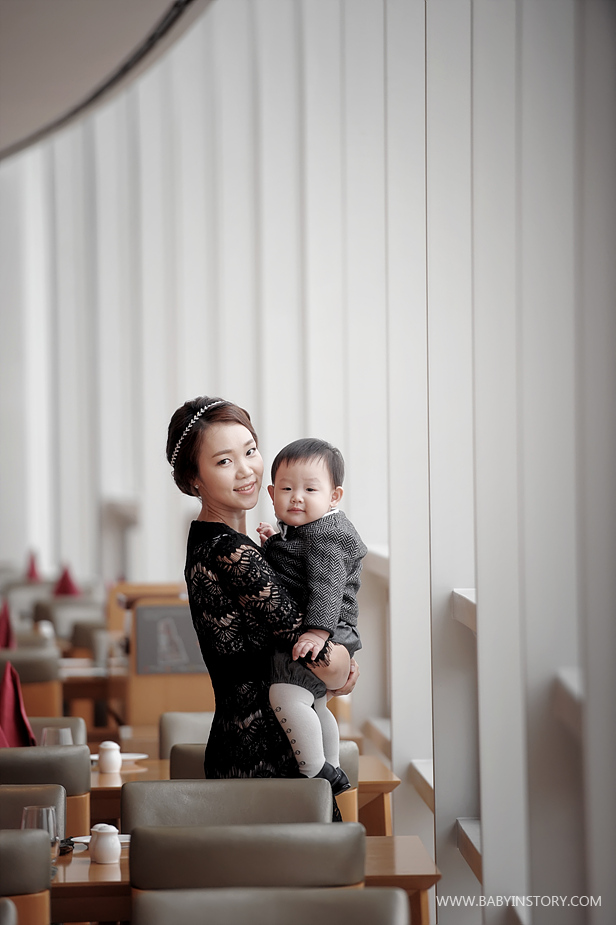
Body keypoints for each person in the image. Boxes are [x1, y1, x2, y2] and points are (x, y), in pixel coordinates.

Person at [166, 396, 359, 784]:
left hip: (263, 746)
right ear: (193, 478)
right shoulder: (230, 552)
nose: (246, 470)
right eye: (224, 461)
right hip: (264, 759)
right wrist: (344, 669)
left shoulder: (227, 542)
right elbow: (322, 659)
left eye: (250, 451)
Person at [256, 438, 367, 796]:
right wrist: (274, 543)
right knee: (314, 702)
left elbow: (326, 585)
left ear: (334, 496)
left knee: (286, 695)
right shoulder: (306, 531)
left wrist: (317, 633)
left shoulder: (326, 537)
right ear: (272, 493)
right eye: (287, 489)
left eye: (310, 489)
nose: (296, 498)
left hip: (326, 630)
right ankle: (332, 765)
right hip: (329, 632)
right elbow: (296, 568)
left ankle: (315, 768)